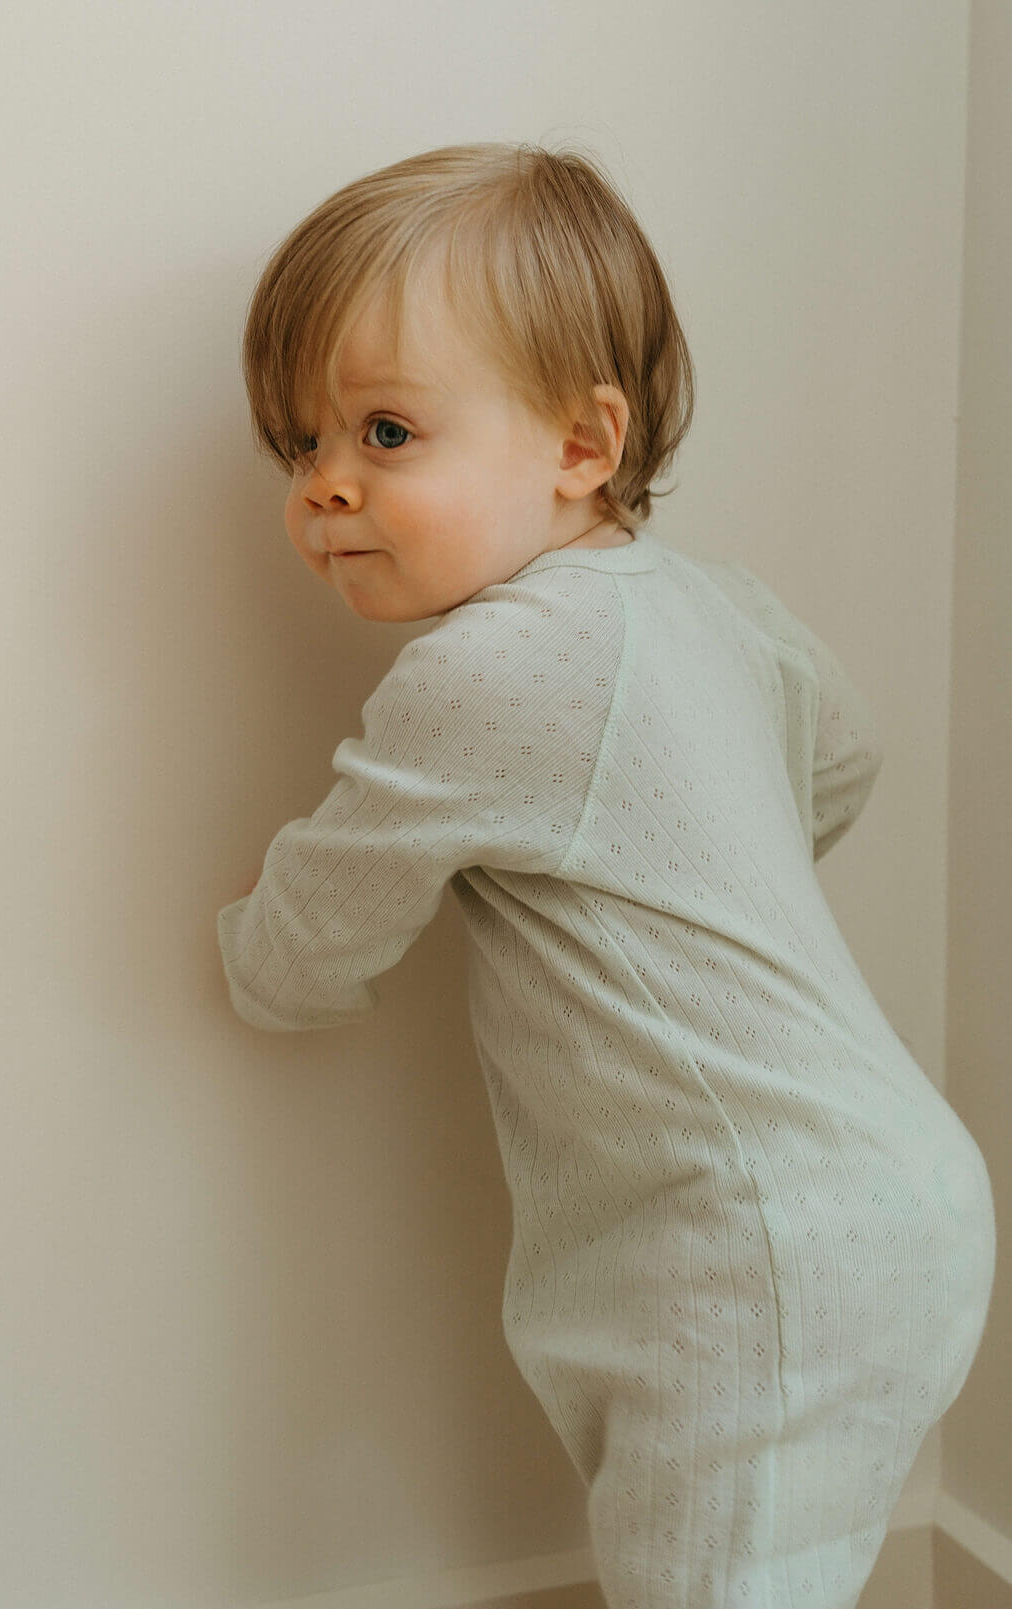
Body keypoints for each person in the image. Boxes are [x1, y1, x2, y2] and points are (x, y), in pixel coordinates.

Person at [216, 141, 996, 1609]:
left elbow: (300, 953)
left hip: (756, 1250)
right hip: (889, 1198)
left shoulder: (491, 663)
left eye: (384, 432)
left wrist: (239, 944)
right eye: (297, 445)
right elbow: (844, 756)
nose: (324, 486)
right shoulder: (711, 602)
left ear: (581, 445)